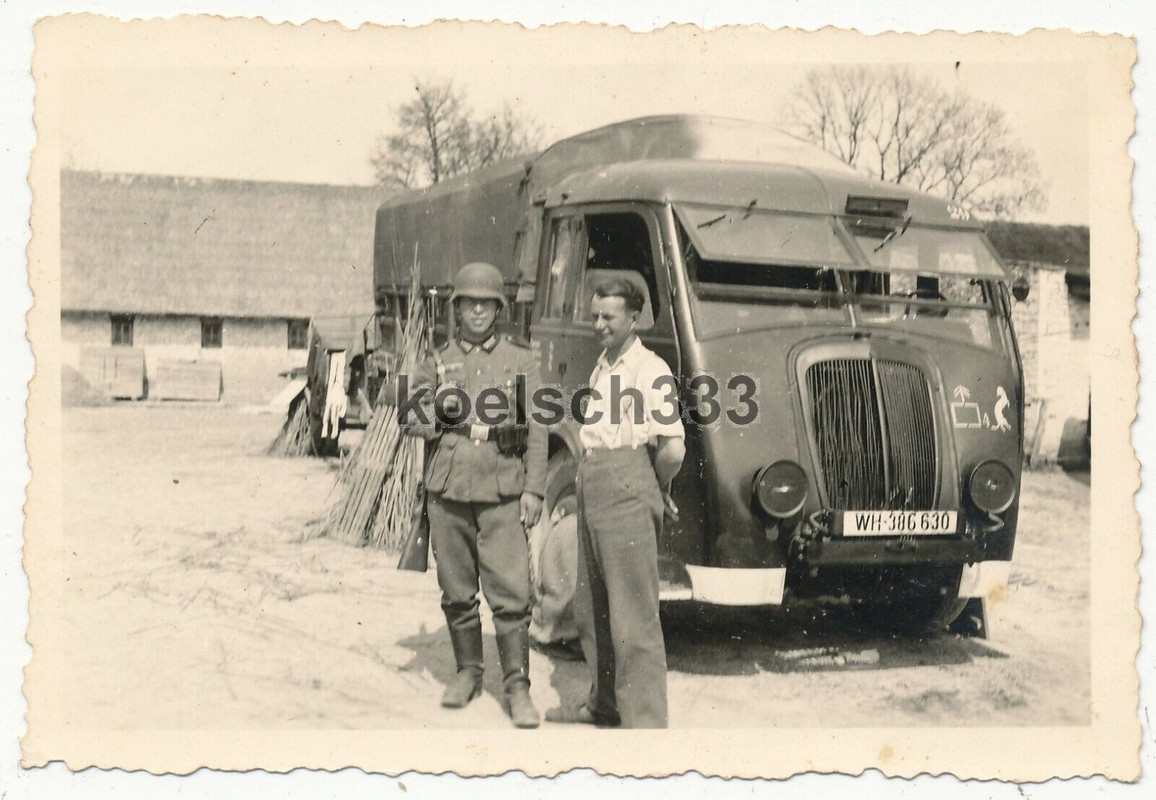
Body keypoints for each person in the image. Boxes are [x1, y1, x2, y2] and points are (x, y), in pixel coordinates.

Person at [401, 261, 546, 728]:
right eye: (469, 303)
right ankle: (467, 672)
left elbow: (540, 426)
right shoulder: (436, 360)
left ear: (498, 308)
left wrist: (535, 489)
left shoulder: (521, 359)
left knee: (511, 593)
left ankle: (517, 686)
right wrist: (439, 417)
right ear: (457, 308)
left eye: (487, 303)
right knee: (457, 589)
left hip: (503, 486)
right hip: (448, 487)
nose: (478, 311)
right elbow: (406, 411)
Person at [548, 276, 686, 729]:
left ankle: (644, 724)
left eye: (609, 316)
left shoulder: (652, 370)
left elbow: (673, 449)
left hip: (628, 482)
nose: (599, 325)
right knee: (592, 608)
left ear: (634, 317)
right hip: (594, 480)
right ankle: (604, 704)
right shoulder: (603, 367)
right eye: (595, 316)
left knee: (633, 616)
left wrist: (654, 486)